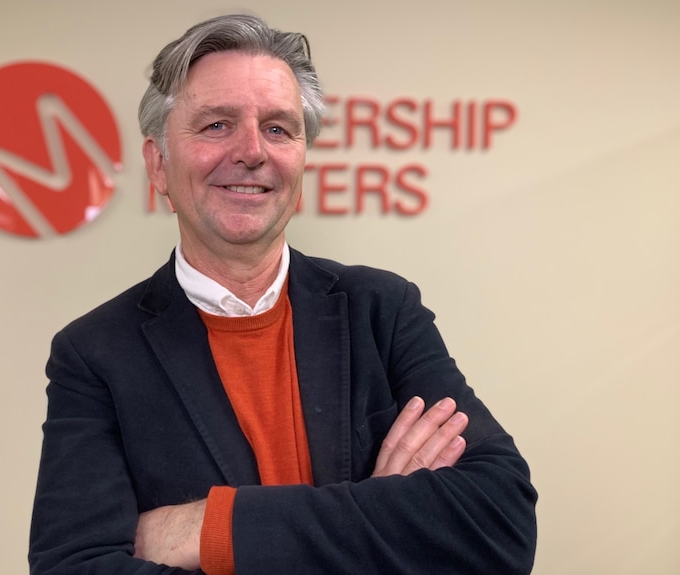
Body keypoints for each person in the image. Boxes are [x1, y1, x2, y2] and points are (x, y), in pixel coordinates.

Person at [29, 13, 537, 575]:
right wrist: (380, 512)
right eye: (217, 125)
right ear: (158, 165)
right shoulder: (95, 353)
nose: (252, 151)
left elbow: (501, 523)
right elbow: (72, 568)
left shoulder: (383, 311)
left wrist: (212, 528)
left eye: (277, 128)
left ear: (302, 159)